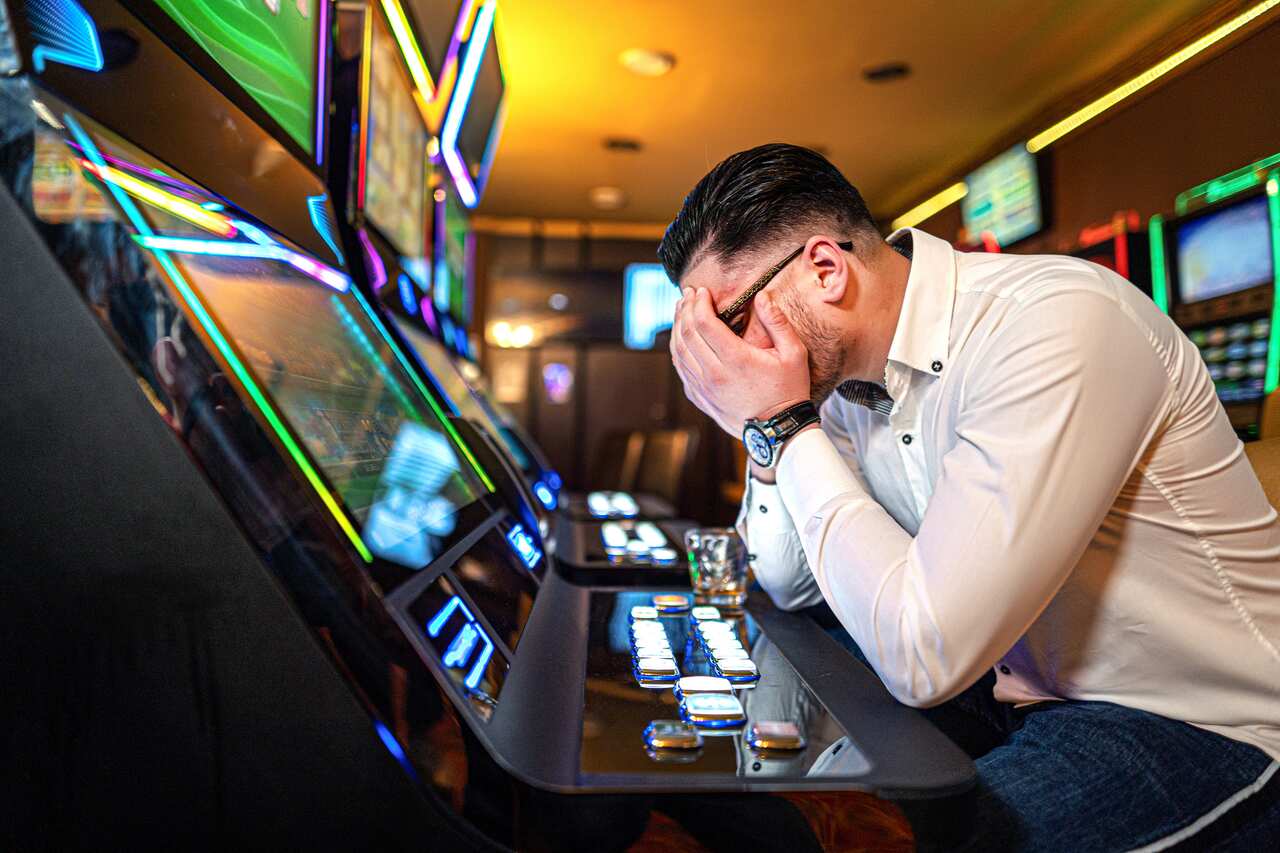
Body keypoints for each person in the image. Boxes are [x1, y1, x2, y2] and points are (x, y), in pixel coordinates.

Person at [661, 143, 1280, 851]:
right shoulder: (839, 383)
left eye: (728, 323)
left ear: (825, 270)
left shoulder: (1053, 323)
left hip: (1195, 717)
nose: (723, 358)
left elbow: (923, 657)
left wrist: (779, 420)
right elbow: (785, 580)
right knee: (789, 756)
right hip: (1004, 681)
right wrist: (767, 429)